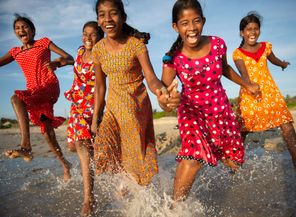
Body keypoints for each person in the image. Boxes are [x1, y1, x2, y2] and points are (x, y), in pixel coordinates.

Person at [161, 0, 260, 201]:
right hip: (192, 113)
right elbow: (164, 91)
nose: (191, 28)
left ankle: (183, 186)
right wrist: (166, 101)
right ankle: (173, 209)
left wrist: (246, 84)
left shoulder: (217, 44)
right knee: (195, 157)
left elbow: (224, 69)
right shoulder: (172, 57)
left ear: (203, 21)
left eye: (196, 21)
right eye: (185, 23)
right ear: (176, 26)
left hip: (220, 112)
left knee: (233, 162)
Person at [91, 0, 179, 188]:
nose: (108, 19)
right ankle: (124, 184)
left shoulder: (135, 44)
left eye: (113, 13)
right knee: (102, 150)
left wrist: (160, 91)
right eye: (102, 14)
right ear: (98, 20)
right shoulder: (97, 49)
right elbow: (99, 87)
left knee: (135, 160)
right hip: (113, 109)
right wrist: (95, 118)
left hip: (135, 105)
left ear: (123, 17)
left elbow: (150, 77)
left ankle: (141, 192)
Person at [232, 12, 296, 179]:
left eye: (256, 29)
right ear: (242, 32)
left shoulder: (266, 46)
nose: (252, 32)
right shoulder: (238, 53)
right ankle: (236, 165)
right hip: (250, 92)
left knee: (286, 124)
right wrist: (250, 86)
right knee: (243, 130)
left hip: (271, 92)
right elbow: (243, 74)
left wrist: (283, 64)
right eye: (248, 29)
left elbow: (274, 59)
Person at [0, 14, 73, 181]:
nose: (21, 30)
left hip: (48, 86)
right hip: (33, 91)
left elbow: (70, 58)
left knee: (15, 98)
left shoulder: (43, 43)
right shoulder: (15, 52)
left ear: (32, 31)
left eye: (24, 27)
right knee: (47, 132)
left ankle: (25, 146)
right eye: (17, 28)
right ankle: (65, 164)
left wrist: (57, 63)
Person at [64, 21, 104, 216]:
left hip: (91, 107)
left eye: (93, 34)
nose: (88, 37)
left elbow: (100, 88)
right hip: (76, 106)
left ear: (100, 37)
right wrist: (59, 62)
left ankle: (88, 199)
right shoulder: (80, 51)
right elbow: (74, 62)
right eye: (85, 34)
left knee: (83, 149)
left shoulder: (100, 55)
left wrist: (96, 118)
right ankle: (99, 176)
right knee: (76, 147)